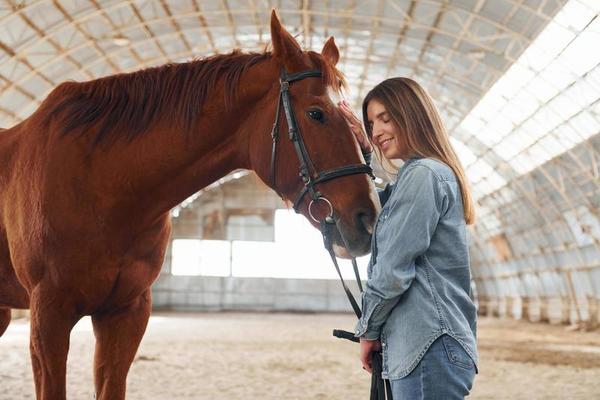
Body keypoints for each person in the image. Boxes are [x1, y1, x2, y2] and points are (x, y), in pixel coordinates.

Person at [338, 77, 478, 399]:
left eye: (385, 119)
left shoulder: (422, 175)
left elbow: (392, 269)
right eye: (371, 123)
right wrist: (363, 152)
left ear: (412, 113)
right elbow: (381, 202)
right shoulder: (425, 175)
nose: (376, 131)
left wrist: (368, 330)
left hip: (427, 346)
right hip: (433, 347)